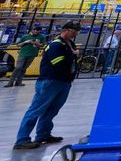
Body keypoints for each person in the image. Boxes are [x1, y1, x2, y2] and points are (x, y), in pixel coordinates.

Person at [14, 21, 81, 150]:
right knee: (36, 110)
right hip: (50, 81)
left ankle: (43, 134)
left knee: (52, 110)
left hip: (64, 81)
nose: (75, 34)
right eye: (73, 32)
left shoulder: (69, 44)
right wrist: (72, 54)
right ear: (65, 30)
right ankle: (22, 140)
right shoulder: (56, 45)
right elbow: (57, 62)